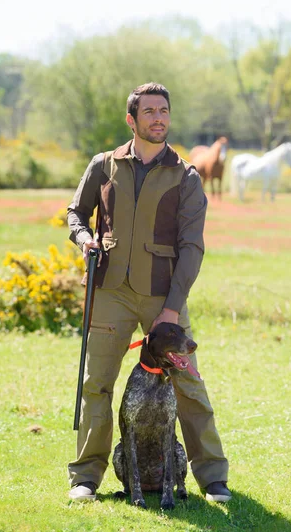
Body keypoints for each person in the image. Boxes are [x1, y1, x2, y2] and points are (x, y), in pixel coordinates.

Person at [67, 82, 231, 503]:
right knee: (96, 383)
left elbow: (192, 246)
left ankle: (213, 479)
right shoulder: (103, 165)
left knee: (189, 382)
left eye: (164, 111)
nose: (158, 118)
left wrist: (173, 308)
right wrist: (84, 237)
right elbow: (76, 212)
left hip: (164, 297)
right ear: (132, 119)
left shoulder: (187, 175)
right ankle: (86, 478)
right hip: (109, 291)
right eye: (150, 111)